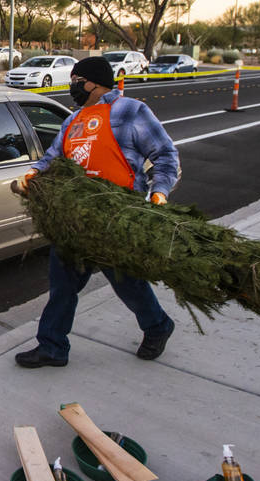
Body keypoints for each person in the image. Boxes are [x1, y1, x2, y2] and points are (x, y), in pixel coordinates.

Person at [13, 56, 181, 368]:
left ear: (93, 83)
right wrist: (32, 175)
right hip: (75, 215)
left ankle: (158, 325)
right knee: (62, 284)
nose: (73, 87)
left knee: (125, 281)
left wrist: (159, 192)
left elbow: (165, 154)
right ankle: (52, 346)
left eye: (76, 81)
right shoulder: (73, 120)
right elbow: (53, 157)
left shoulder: (130, 111)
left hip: (117, 215)